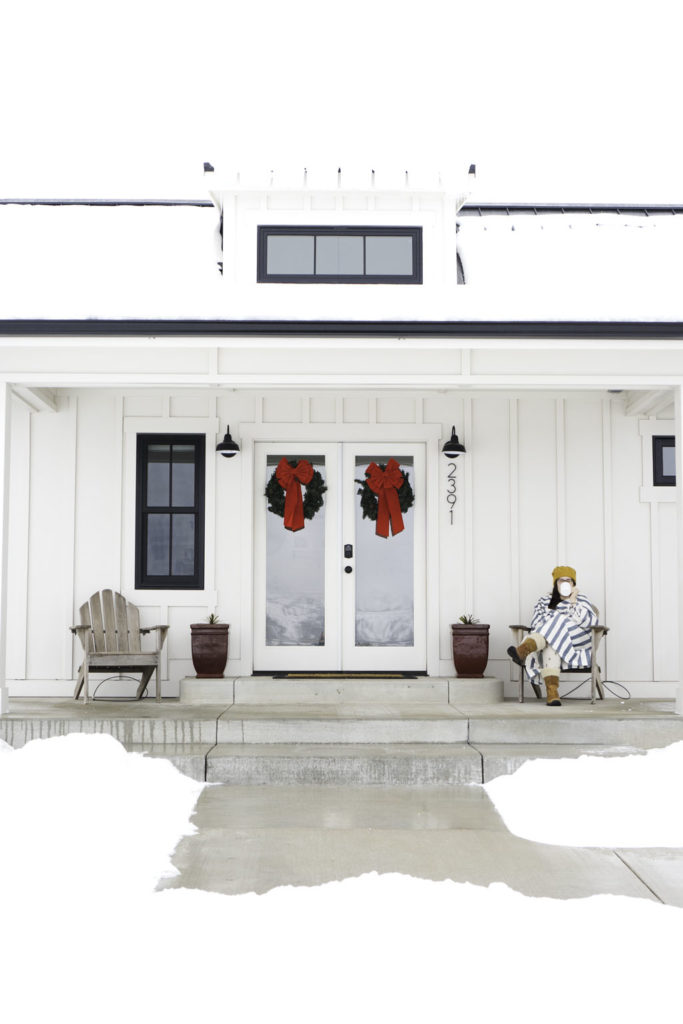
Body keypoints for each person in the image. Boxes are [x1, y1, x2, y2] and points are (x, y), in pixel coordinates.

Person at [507, 566, 598, 707]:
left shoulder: (580, 599)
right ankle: (552, 693)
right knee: (551, 643)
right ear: (556, 583)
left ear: (574, 584)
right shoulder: (544, 600)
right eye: (562, 580)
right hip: (550, 641)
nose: (565, 583)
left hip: (576, 641)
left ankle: (524, 650)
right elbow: (536, 624)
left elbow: (590, 622)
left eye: (569, 581)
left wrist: (573, 601)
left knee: (558, 620)